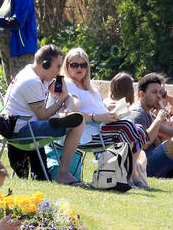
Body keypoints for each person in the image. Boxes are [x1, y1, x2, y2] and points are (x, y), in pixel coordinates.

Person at [60, 49, 151, 189]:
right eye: (74, 65)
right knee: (127, 128)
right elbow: (71, 113)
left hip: (102, 126)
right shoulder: (67, 84)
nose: (79, 68)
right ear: (66, 66)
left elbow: (96, 106)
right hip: (88, 132)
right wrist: (97, 116)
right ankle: (126, 176)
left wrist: (110, 109)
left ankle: (131, 174)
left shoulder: (90, 86)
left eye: (83, 65)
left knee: (138, 128)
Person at [0, 44, 85, 184]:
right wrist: (61, 100)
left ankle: (63, 118)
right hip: (21, 131)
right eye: (57, 66)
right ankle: (63, 173)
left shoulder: (35, 74)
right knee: (79, 124)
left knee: (75, 120)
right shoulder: (32, 81)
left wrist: (68, 107)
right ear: (45, 64)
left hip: (26, 125)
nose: (59, 70)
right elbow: (43, 115)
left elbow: (71, 97)